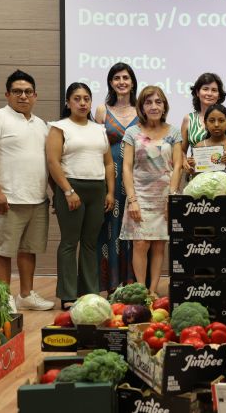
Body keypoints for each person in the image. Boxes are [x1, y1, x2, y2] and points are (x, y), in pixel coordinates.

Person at [0, 70, 55, 312]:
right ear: (7, 94)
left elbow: (49, 164)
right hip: (8, 199)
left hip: (37, 199)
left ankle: (26, 295)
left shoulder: (41, 124)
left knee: (28, 250)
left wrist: (55, 195)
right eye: (17, 91)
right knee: (3, 251)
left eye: (28, 92)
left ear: (35, 96)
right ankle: (3, 298)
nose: (23, 96)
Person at [46, 83, 115, 309]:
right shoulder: (59, 127)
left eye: (86, 98)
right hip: (71, 188)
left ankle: (89, 293)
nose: (83, 103)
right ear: (68, 102)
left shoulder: (99, 129)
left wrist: (110, 191)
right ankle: (67, 295)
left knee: (89, 243)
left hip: (97, 190)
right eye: (77, 98)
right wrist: (67, 191)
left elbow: (107, 162)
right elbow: (53, 162)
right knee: (69, 242)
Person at [120, 86, 183, 296]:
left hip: (165, 195)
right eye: (148, 102)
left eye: (158, 102)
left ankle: (153, 291)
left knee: (158, 245)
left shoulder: (173, 132)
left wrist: (172, 197)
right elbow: (127, 167)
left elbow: (177, 166)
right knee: (140, 243)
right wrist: (132, 200)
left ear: (164, 105)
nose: (154, 106)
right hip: (140, 195)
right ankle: (141, 289)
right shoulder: (132, 132)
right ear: (142, 107)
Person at [94, 62, 139, 293]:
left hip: (136, 178)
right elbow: (97, 145)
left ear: (132, 82)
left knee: (133, 229)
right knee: (109, 227)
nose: (121, 82)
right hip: (109, 176)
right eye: (117, 78)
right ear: (111, 82)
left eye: (126, 78)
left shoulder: (142, 109)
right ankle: (111, 283)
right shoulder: (102, 110)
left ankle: (133, 283)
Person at [181, 73, 226, 172]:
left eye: (214, 90)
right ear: (197, 92)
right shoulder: (188, 119)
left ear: (219, 95)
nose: (209, 93)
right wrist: (184, 161)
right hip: (197, 174)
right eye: (205, 89)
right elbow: (182, 151)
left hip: (224, 175)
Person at [187, 104, 226, 181]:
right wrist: (192, 170)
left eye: (221, 120)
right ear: (205, 123)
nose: (216, 125)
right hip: (205, 191)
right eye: (212, 121)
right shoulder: (199, 147)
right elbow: (194, 176)